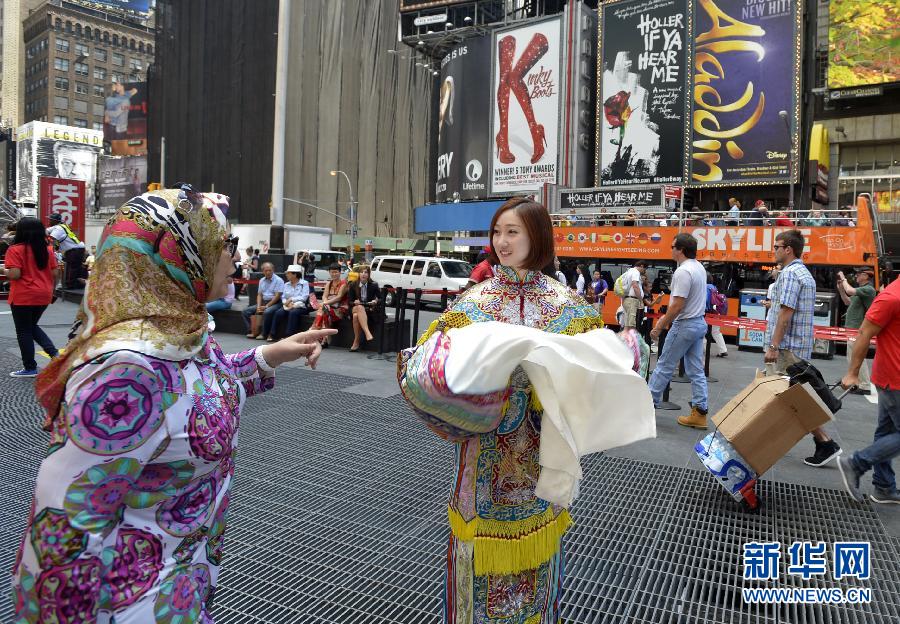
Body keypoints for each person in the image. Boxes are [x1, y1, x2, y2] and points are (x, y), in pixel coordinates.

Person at [13, 188, 335, 621]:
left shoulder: (178, 333)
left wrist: (273, 353)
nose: (234, 260)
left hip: (183, 587)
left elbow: (199, 388)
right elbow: (64, 532)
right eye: (224, 246)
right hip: (133, 604)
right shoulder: (126, 369)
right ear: (182, 254)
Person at [397, 196, 651, 622]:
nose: (501, 241)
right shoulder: (473, 303)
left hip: (540, 456)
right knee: (474, 569)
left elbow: (611, 360)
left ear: (537, 235)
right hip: (483, 458)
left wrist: (626, 349)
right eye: (497, 232)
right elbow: (427, 359)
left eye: (512, 231)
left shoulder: (567, 304)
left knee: (537, 571)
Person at [764, 229, 841, 467]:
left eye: (777, 247)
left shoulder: (789, 275)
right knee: (790, 398)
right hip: (796, 347)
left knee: (789, 399)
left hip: (787, 348)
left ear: (788, 249)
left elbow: (785, 314)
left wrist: (774, 346)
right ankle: (822, 441)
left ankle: (824, 441)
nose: (773, 251)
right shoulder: (803, 273)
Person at [836, 277, 900, 504]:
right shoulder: (891, 297)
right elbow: (864, 333)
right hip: (895, 379)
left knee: (886, 432)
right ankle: (856, 463)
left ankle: (884, 487)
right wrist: (853, 373)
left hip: (891, 378)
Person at [649, 233, 710, 428]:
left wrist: (659, 326)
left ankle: (646, 408)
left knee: (664, 365)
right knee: (695, 370)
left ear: (681, 250)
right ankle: (700, 412)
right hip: (699, 323)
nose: (671, 249)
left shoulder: (683, 272)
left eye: (672, 246)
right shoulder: (699, 267)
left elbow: (677, 306)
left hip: (684, 325)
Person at [3, 217, 60, 377]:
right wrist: (51, 289)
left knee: (23, 330)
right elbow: (55, 273)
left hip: (23, 295)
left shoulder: (15, 249)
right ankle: (54, 354)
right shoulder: (47, 249)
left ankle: (30, 368)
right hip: (44, 294)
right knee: (31, 326)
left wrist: (3, 270)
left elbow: (15, 274)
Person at [837, 267, 877, 395]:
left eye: (858, 274)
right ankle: (856, 381)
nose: (856, 276)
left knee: (857, 356)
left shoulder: (868, 289)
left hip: (858, 328)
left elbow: (850, 290)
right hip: (853, 328)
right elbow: (847, 301)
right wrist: (841, 290)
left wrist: (843, 278)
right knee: (853, 356)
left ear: (866, 276)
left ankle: (864, 385)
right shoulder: (861, 291)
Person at [242, 262, 284, 339]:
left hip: (276, 303)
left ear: (273, 270)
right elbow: (259, 295)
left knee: (267, 311)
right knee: (246, 311)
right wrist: (258, 306)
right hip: (263, 302)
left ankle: (264, 333)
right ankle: (253, 330)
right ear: (263, 271)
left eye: (270, 270)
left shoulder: (279, 280)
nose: (268, 272)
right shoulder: (262, 280)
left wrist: (266, 306)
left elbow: (277, 296)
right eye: (266, 270)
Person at [46, 212, 87, 289]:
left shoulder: (59, 228)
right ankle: (78, 285)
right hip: (76, 249)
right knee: (74, 268)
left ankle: (70, 286)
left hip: (75, 250)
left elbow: (52, 239)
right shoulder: (60, 226)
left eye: (50, 220)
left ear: (54, 221)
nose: (49, 221)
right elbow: (46, 231)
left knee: (71, 268)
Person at [312, 262, 349, 346]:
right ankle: (325, 338)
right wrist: (326, 303)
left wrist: (325, 303)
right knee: (324, 311)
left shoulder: (344, 284)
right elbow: (324, 296)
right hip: (329, 308)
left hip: (340, 309)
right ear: (329, 272)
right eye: (332, 272)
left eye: (336, 272)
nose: (334, 274)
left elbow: (338, 297)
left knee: (323, 310)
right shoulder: (329, 284)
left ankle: (316, 334)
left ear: (340, 272)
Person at [274, 264, 312, 339]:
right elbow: (283, 297)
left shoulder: (304, 283)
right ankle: (273, 334)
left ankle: (289, 335)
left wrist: (291, 299)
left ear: (294, 274)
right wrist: (286, 303)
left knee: (293, 313)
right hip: (288, 305)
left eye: (288, 273)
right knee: (278, 313)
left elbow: (304, 297)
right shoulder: (286, 284)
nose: (286, 275)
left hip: (301, 306)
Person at [348, 264, 380, 351]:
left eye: (366, 272)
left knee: (356, 316)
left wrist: (376, 301)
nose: (363, 274)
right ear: (358, 274)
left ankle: (356, 341)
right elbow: (349, 302)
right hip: (355, 307)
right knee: (359, 307)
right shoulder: (353, 285)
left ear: (369, 274)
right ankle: (367, 333)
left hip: (368, 310)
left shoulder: (374, 285)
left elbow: (381, 299)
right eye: (361, 272)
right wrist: (355, 302)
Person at [706, 276, 729, 358]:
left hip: (709, 313)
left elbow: (706, 301)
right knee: (716, 331)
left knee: (701, 331)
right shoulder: (714, 288)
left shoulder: (706, 287)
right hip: (717, 312)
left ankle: (702, 350)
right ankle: (723, 350)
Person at [621, 260, 647, 329]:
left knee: (627, 324)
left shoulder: (628, 272)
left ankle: (625, 339)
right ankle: (632, 339)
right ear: (641, 266)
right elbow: (635, 286)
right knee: (631, 325)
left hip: (627, 300)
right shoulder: (635, 272)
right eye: (645, 269)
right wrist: (641, 300)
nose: (645, 271)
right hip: (632, 301)